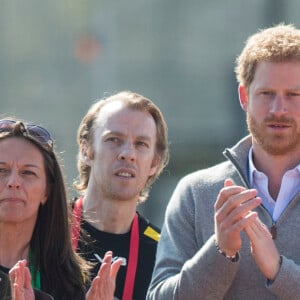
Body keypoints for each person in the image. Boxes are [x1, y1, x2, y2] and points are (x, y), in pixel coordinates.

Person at [147, 23, 300, 300]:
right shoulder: (195, 193)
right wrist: (220, 252)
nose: (279, 109)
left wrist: (279, 270)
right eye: (266, 94)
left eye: (293, 95)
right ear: (244, 97)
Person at [0, 118, 122, 300]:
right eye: (1, 170)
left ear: (47, 191)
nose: (13, 182)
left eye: (28, 173)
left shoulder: (71, 282)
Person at [71, 91, 169, 300]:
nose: (128, 153)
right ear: (86, 150)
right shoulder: (43, 229)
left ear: (154, 163)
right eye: (114, 139)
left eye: (141, 144)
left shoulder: (165, 253)